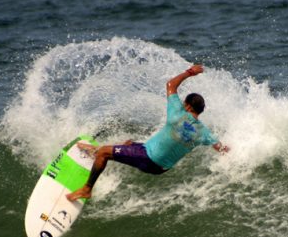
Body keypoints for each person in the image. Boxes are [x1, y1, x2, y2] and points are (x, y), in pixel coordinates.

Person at [67, 63, 229, 201]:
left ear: (186, 105)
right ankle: (95, 153)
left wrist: (190, 72)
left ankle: (87, 189)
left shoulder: (177, 114)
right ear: (200, 111)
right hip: (160, 167)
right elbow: (219, 147)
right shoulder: (204, 133)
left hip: (149, 158)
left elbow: (171, 85)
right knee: (128, 144)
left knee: (104, 152)